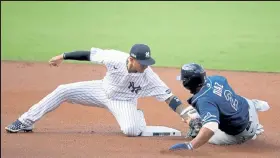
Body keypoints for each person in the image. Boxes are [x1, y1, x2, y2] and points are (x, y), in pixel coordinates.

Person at [5, 44, 201, 137]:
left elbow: (170, 98)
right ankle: (25, 121)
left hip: (123, 102)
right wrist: (62, 55)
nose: (145, 66)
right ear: (131, 59)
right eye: (142, 62)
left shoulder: (149, 76)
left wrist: (187, 116)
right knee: (63, 89)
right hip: (100, 90)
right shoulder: (114, 57)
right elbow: (88, 55)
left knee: (131, 131)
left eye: (147, 62)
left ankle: (136, 116)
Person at [169, 63, 270, 150]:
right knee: (196, 111)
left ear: (188, 82)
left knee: (203, 131)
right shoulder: (216, 79)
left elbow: (211, 127)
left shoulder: (203, 100)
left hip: (243, 130)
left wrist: (190, 146)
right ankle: (255, 107)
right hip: (249, 106)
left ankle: (253, 132)